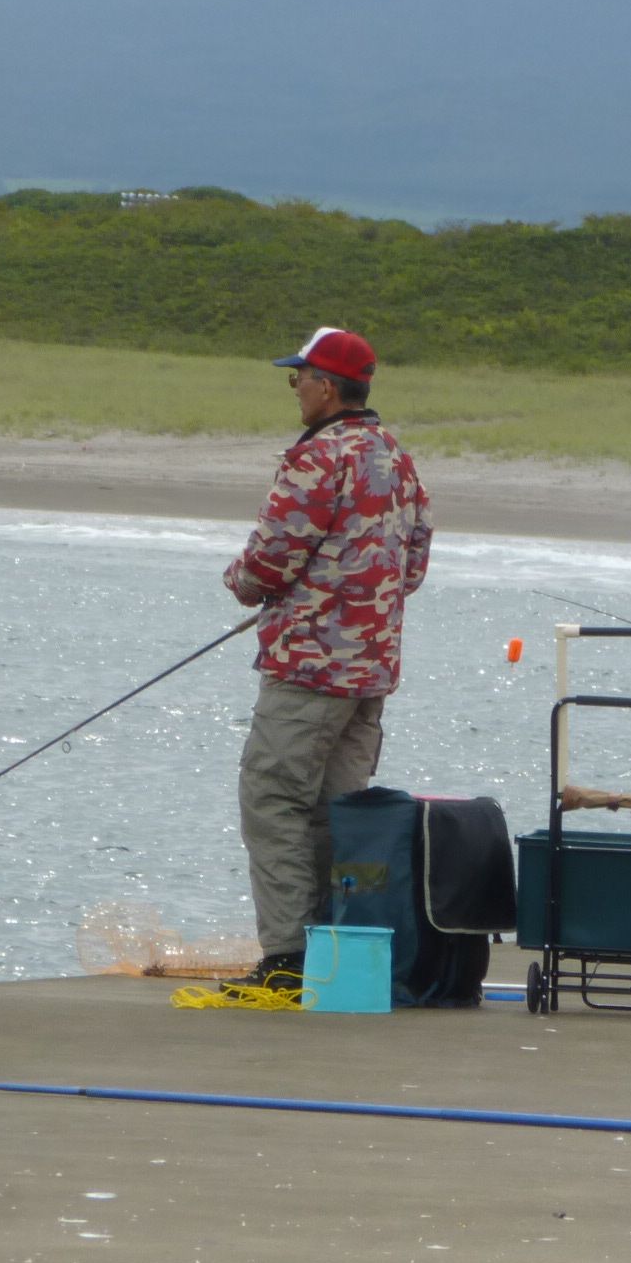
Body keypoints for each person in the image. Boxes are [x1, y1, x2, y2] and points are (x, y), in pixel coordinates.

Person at [224, 329, 432, 990]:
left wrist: (243, 584)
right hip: (371, 669)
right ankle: (339, 951)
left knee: (273, 798)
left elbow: (272, 556)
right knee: (339, 811)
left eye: (300, 377)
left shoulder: (319, 457)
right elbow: (416, 558)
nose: (295, 388)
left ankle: (288, 956)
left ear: (328, 387)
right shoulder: (393, 455)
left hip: (310, 669)